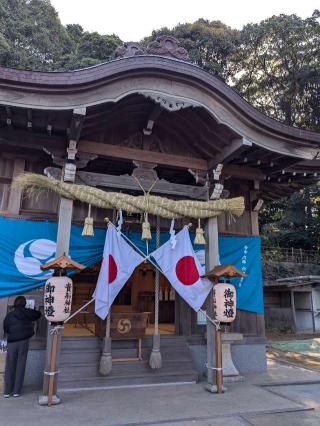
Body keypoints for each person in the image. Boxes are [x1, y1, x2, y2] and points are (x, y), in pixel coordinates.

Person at [3, 296, 41, 398]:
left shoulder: (9, 315)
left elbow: (5, 328)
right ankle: (16, 391)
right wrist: (29, 309)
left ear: (15, 304)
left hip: (11, 342)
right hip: (23, 341)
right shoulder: (27, 313)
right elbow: (38, 314)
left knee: (10, 366)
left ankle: (7, 391)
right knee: (21, 365)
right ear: (24, 304)